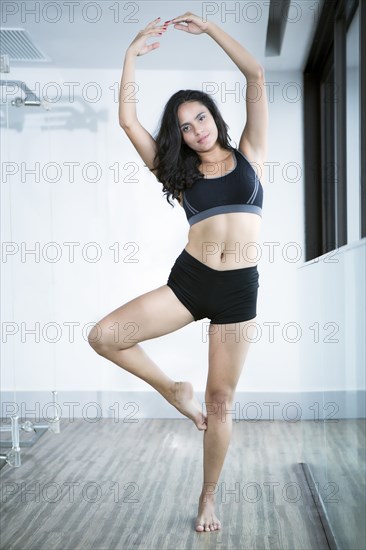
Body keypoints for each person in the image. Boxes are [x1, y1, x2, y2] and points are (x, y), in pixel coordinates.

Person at [88, 12, 268, 533]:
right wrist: (129, 56)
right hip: (191, 282)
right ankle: (172, 391)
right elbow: (127, 122)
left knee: (221, 402)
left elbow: (255, 75)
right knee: (104, 336)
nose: (194, 130)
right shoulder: (179, 174)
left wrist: (211, 30)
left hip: (239, 291)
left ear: (215, 116)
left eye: (200, 118)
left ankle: (207, 498)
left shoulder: (252, 155)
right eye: (184, 126)